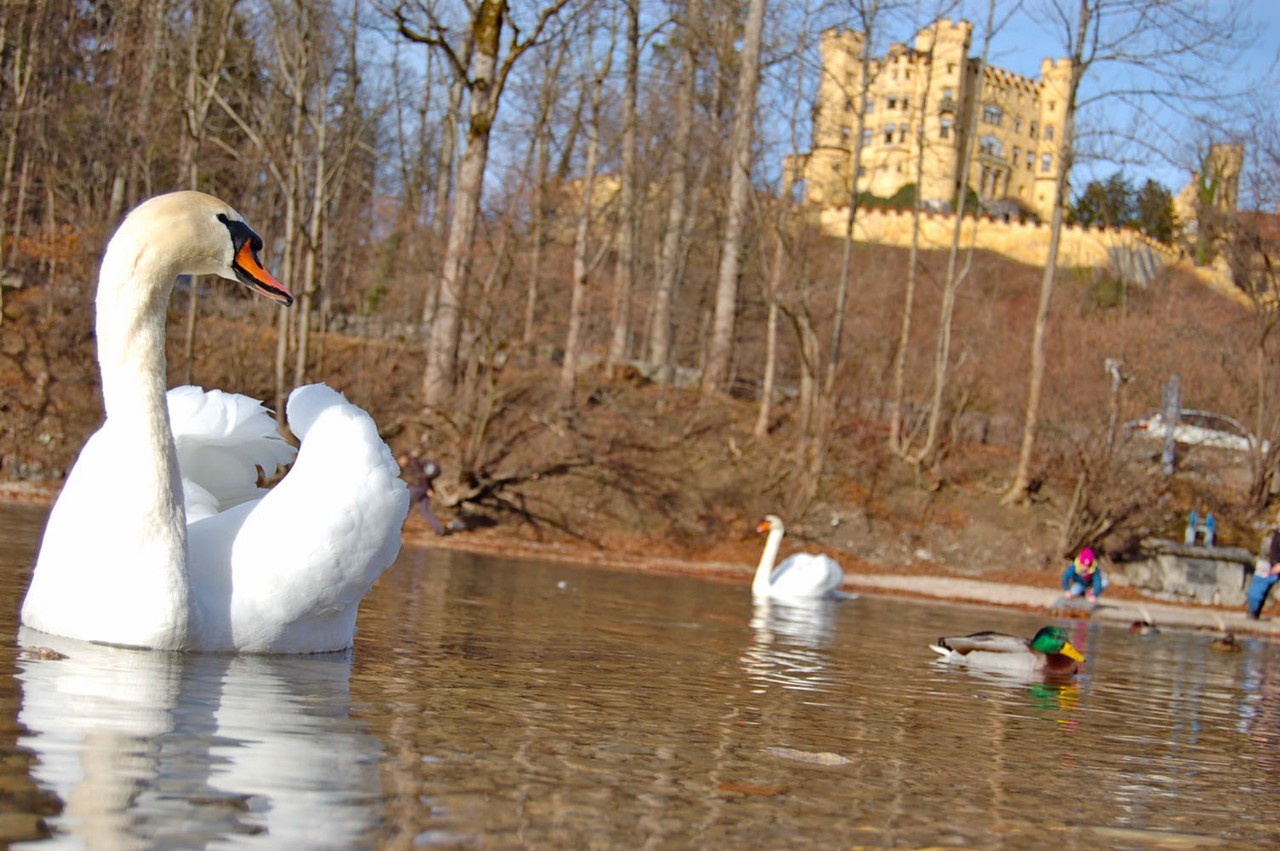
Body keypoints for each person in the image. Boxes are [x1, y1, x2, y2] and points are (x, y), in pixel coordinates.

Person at [397, 454, 447, 535]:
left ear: (405, 457)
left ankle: (397, 528)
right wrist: (429, 488)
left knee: (406, 506)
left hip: (419, 489)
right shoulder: (414, 464)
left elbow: (422, 477)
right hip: (424, 488)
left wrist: (428, 488)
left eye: (401, 459)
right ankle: (440, 529)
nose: (400, 462)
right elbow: (426, 477)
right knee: (424, 510)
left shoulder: (413, 464)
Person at [1246, 513, 1280, 619]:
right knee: (1259, 588)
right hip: (1270, 566)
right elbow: (1270, 552)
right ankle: (1254, 611)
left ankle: (1254, 611)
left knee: (1260, 588)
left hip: (1274, 566)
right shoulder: (1274, 535)